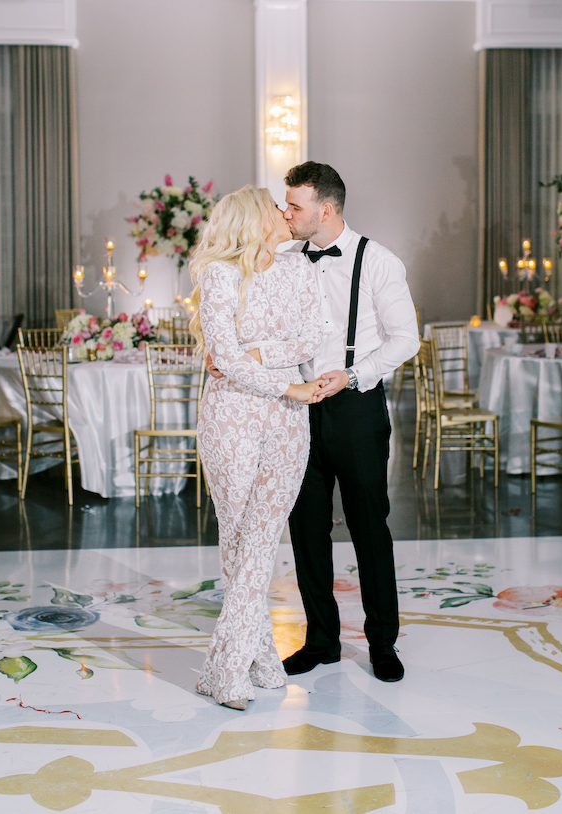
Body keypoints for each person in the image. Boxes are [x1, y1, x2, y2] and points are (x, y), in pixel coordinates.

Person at [281, 161, 420, 683]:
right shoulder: (283, 259)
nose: (286, 213)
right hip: (297, 409)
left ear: (327, 209)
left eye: (295, 205)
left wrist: (354, 375)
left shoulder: (380, 262)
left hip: (356, 408)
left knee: (369, 528)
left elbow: (406, 339)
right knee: (306, 530)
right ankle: (321, 641)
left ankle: (382, 643)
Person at [189, 185, 324, 710]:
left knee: (262, 540)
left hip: (289, 423)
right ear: (254, 219)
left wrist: (261, 352)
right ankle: (255, 660)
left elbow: (312, 336)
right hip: (232, 418)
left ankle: (229, 667)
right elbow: (223, 355)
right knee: (240, 539)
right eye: (275, 205)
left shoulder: (299, 270)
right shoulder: (220, 272)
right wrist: (286, 383)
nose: (283, 212)